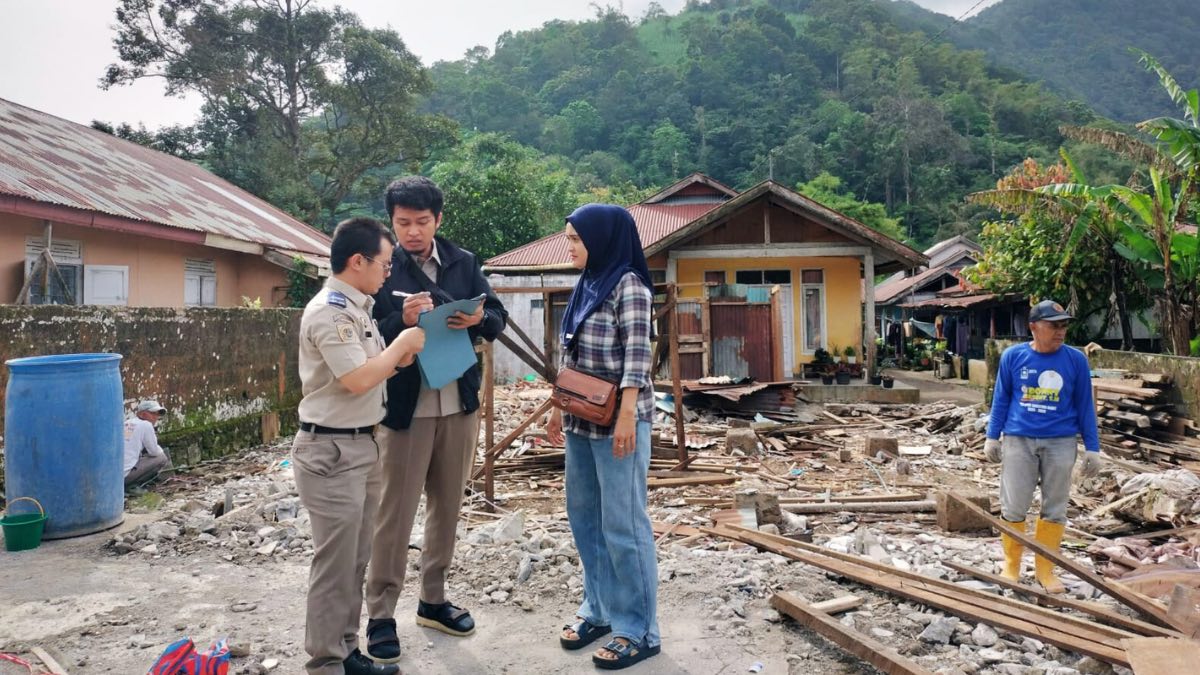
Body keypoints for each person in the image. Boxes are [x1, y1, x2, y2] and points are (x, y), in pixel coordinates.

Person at [364, 176, 508, 663]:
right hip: (406, 408)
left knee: (448, 507)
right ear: (391, 222)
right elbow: (365, 335)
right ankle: (380, 613)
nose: (412, 232)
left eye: (421, 222)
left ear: (438, 220)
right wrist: (398, 321)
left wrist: (478, 321)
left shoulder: (464, 263)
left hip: (458, 403)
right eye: (402, 223)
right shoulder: (380, 268)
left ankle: (433, 598)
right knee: (395, 514)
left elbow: (498, 317)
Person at [293, 217, 426, 675]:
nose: (388, 272)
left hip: (360, 445)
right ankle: (327, 661)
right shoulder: (330, 311)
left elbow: (373, 368)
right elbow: (357, 379)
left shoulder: (357, 307)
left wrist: (397, 356)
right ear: (358, 261)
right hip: (331, 450)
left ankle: (347, 650)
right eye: (384, 264)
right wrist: (402, 343)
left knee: (355, 558)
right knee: (335, 563)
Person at [546, 203, 661, 670]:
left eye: (575, 239)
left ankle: (639, 628)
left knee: (624, 524)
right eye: (568, 238)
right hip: (579, 417)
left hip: (619, 420)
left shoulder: (628, 285)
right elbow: (568, 351)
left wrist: (629, 415)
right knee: (585, 519)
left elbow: (639, 353)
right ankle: (599, 610)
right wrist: (555, 411)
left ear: (603, 239)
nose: (568, 246)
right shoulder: (586, 284)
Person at [985, 299, 1102, 594]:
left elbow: (1085, 405)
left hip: (1060, 442)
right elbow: (1001, 399)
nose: (1061, 331)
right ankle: (1011, 565)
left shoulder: (1075, 360)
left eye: (1064, 325)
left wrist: (1092, 447)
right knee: (1014, 505)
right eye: (1054, 325)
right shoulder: (1013, 357)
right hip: (1019, 440)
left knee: (1055, 507)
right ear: (1034, 327)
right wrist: (992, 435)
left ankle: (1045, 570)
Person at [123, 400, 173, 488]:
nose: (156, 417)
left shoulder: (127, 423)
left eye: (157, 414)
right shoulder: (146, 425)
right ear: (142, 414)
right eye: (152, 413)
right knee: (162, 458)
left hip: (116, 475)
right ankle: (133, 486)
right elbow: (154, 452)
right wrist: (161, 450)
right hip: (125, 476)